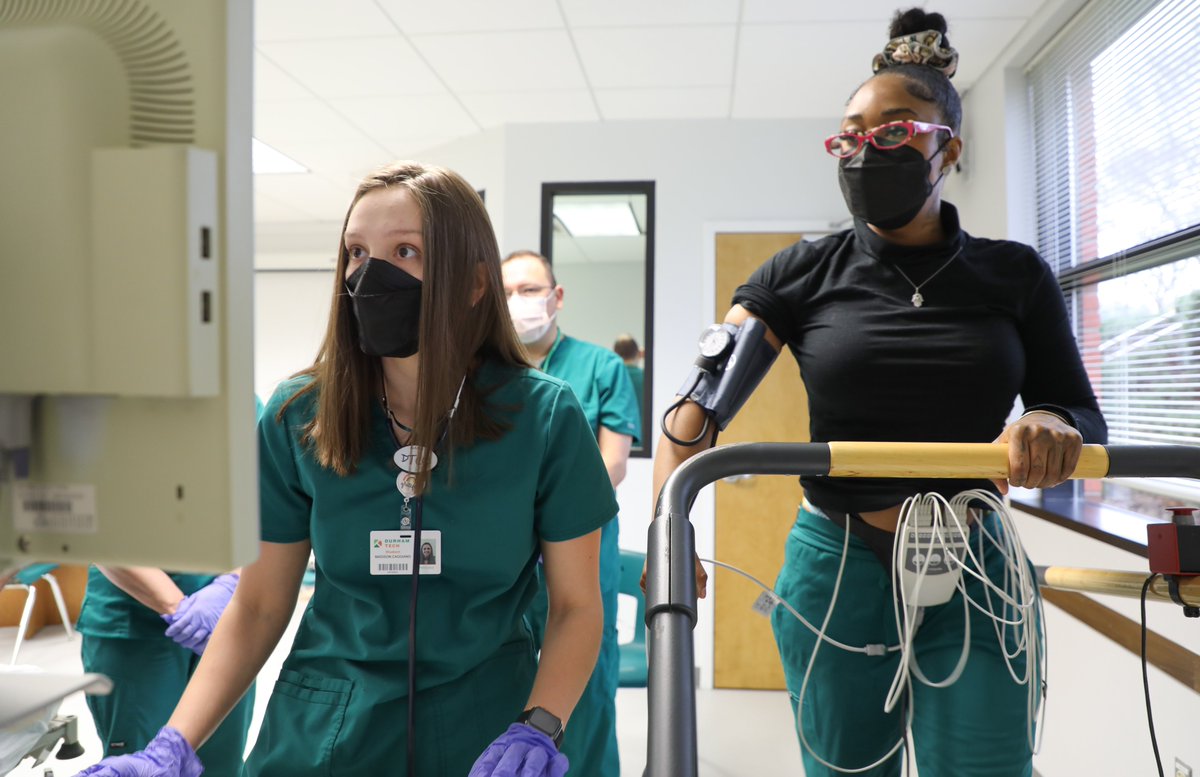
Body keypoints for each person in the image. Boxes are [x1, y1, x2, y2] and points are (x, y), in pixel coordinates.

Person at [652, 9, 1106, 777]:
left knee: (987, 768)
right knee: (844, 770)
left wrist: (1049, 423)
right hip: (839, 563)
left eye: (895, 129)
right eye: (852, 134)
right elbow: (696, 413)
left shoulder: (1013, 273)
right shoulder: (799, 272)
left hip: (976, 557)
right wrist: (674, 530)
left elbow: (1077, 408)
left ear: (948, 148)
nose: (869, 148)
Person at [73, 161, 616, 777]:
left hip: (486, 729)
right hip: (323, 728)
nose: (370, 275)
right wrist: (171, 745)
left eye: (405, 251)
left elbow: (576, 605)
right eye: (355, 253)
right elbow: (257, 606)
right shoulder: (300, 414)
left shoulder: (544, 418)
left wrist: (540, 725)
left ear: (471, 284)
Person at [502, 250, 641, 777]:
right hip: (507, 552)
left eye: (530, 289)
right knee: (505, 679)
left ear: (556, 297)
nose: (519, 301)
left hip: (582, 543)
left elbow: (614, 463)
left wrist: (548, 516)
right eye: (508, 290)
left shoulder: (602, 366)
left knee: (587, 687)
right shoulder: (484, 371)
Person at [74, 397, 264, 777]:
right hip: (134, 624)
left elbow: (269, 505)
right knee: (144, 763)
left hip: (226, 618)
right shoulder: (97, 404)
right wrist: (177, 606)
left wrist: (233, 582)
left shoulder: (240, 401)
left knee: (222, 764)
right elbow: (88, 520)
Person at [612, 333, 645, 418]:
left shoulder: (608, 378)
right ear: (639, 354)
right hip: (644, 430)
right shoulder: (647, 379)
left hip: (616, 429)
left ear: (614, 354)